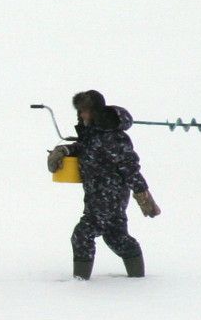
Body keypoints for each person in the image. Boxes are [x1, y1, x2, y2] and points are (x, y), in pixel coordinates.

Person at [47, 90, 161, 280]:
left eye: (85, 111)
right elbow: (85, 149)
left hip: (109, 195)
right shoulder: (93, 133)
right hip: (97, 194)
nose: (82, 115)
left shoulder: (113, 137)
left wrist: (143, 195)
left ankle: (80, 281)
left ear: (95, 111)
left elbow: (130, 167)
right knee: (116, 237)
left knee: (82, 235)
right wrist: (65, 150)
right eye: (80, 111)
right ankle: (138, 278)